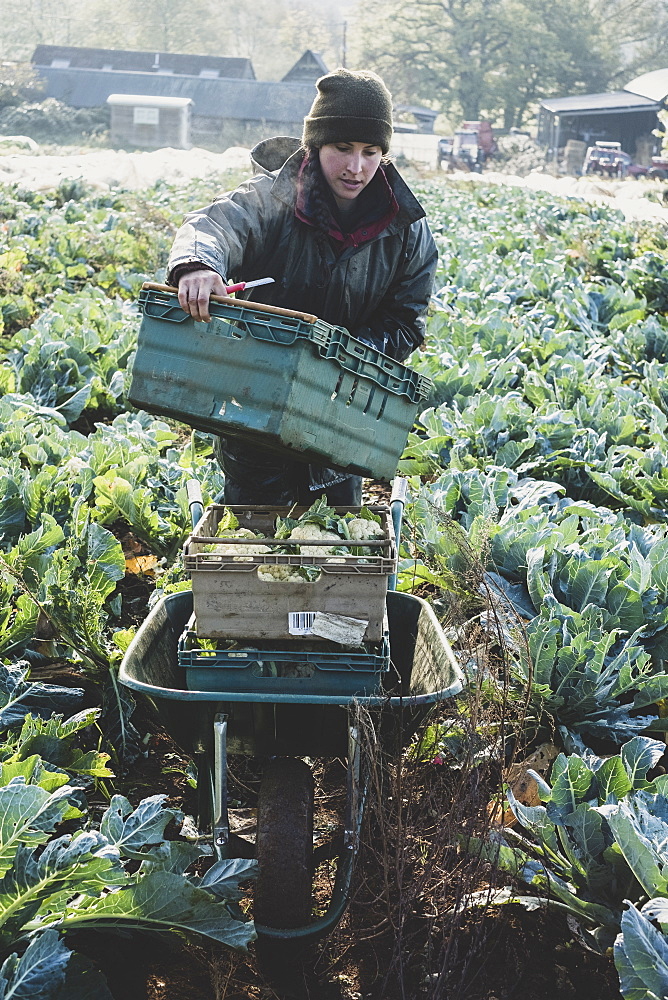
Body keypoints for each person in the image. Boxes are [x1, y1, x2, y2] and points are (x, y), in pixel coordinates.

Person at [167, 68, 438, 505]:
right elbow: (213, 225)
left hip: (340, 415)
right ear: (315, 145)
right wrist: (198, 265)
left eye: (371, 152)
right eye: (342, 148)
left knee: (332, 537)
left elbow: (406, 323)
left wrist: (332, 358)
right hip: (255, 402)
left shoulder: (406, 230)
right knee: (254, 531)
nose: (356, 167)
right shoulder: (270, 198)